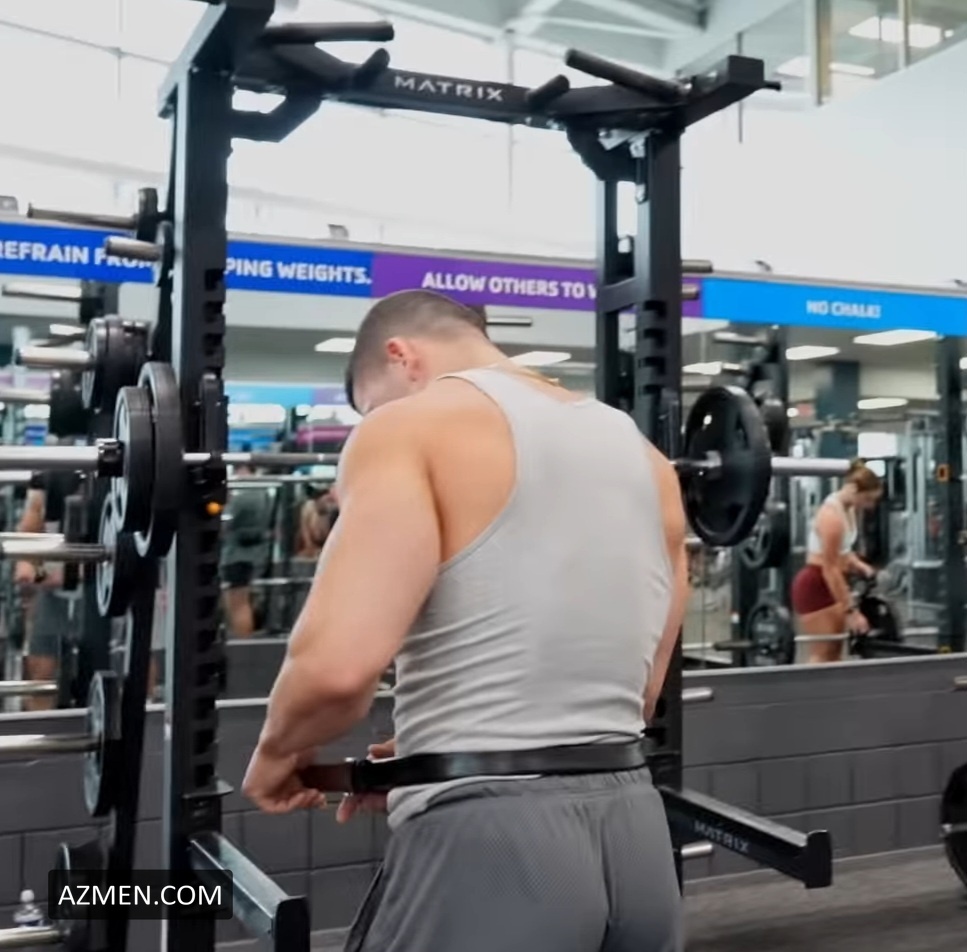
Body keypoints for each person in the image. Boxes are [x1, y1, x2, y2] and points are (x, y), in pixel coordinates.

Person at [242, 289, 688, 952]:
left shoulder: (409, 428)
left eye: (373, 404)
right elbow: (642, 694)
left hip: (490, 847)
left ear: (401, 356)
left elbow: (336, 673)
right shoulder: (646, 458)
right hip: (637, 837)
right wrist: (434, 746)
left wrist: (277, 754)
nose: (376, 420)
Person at [791, 461, 883, 663]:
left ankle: (833, 686)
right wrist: (851, 612)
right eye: (867, 499)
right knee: (822, 653)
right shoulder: (831, 517)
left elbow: (843, 550)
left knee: (835, 652)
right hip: (816, 584)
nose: (869, 506)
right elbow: (830, 568)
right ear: (853, 489)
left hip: (832, 582)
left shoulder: (848, 509)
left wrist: (859, 565)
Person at [15, 466, 81, 711]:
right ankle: (41, 727)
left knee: (120, 663)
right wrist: (38, 572)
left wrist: (75, 574)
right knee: (41, 672)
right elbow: (25, 567)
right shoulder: (47, 482)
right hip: (55, 589)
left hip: (102, 586)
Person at [221, 459, 273, 638]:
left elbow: (227, 522)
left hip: (238, 556)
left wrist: (227, 502)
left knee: (237, 603)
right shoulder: (264, 492)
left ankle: (242, 642)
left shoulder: (243, 494)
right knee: (242, 602)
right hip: (256, 554)